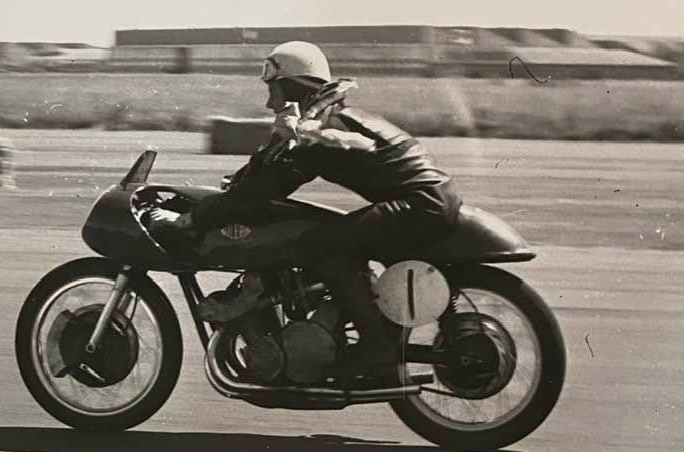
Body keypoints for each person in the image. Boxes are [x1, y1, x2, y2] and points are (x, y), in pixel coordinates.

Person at [157, 40, 462, 378]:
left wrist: (197, 217)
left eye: (273, 89)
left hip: (421, 205)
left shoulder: (321, 131)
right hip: (430, 199)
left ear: (292, 87)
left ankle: (376, 348)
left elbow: (270, 186)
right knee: (335, 236)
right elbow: (274, 169)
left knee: (318, 245)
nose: (269, 102)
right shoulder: (330, 118)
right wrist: (243, 178)